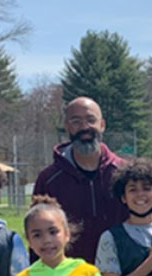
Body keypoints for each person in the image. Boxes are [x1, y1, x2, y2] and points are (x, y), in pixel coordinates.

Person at [32, 96, 127, 262]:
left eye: (91, 120)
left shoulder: (125, 174)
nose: (85, 127)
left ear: (102, 125)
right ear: (67, 127)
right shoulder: (49, 179)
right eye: (76, 121)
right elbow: (36, 232)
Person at [96, 158, 152, 276]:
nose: (140, 194)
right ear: (123, 197)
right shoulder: (110, 238)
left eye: (146, 188)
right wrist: (151, 262)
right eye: (133, 189)